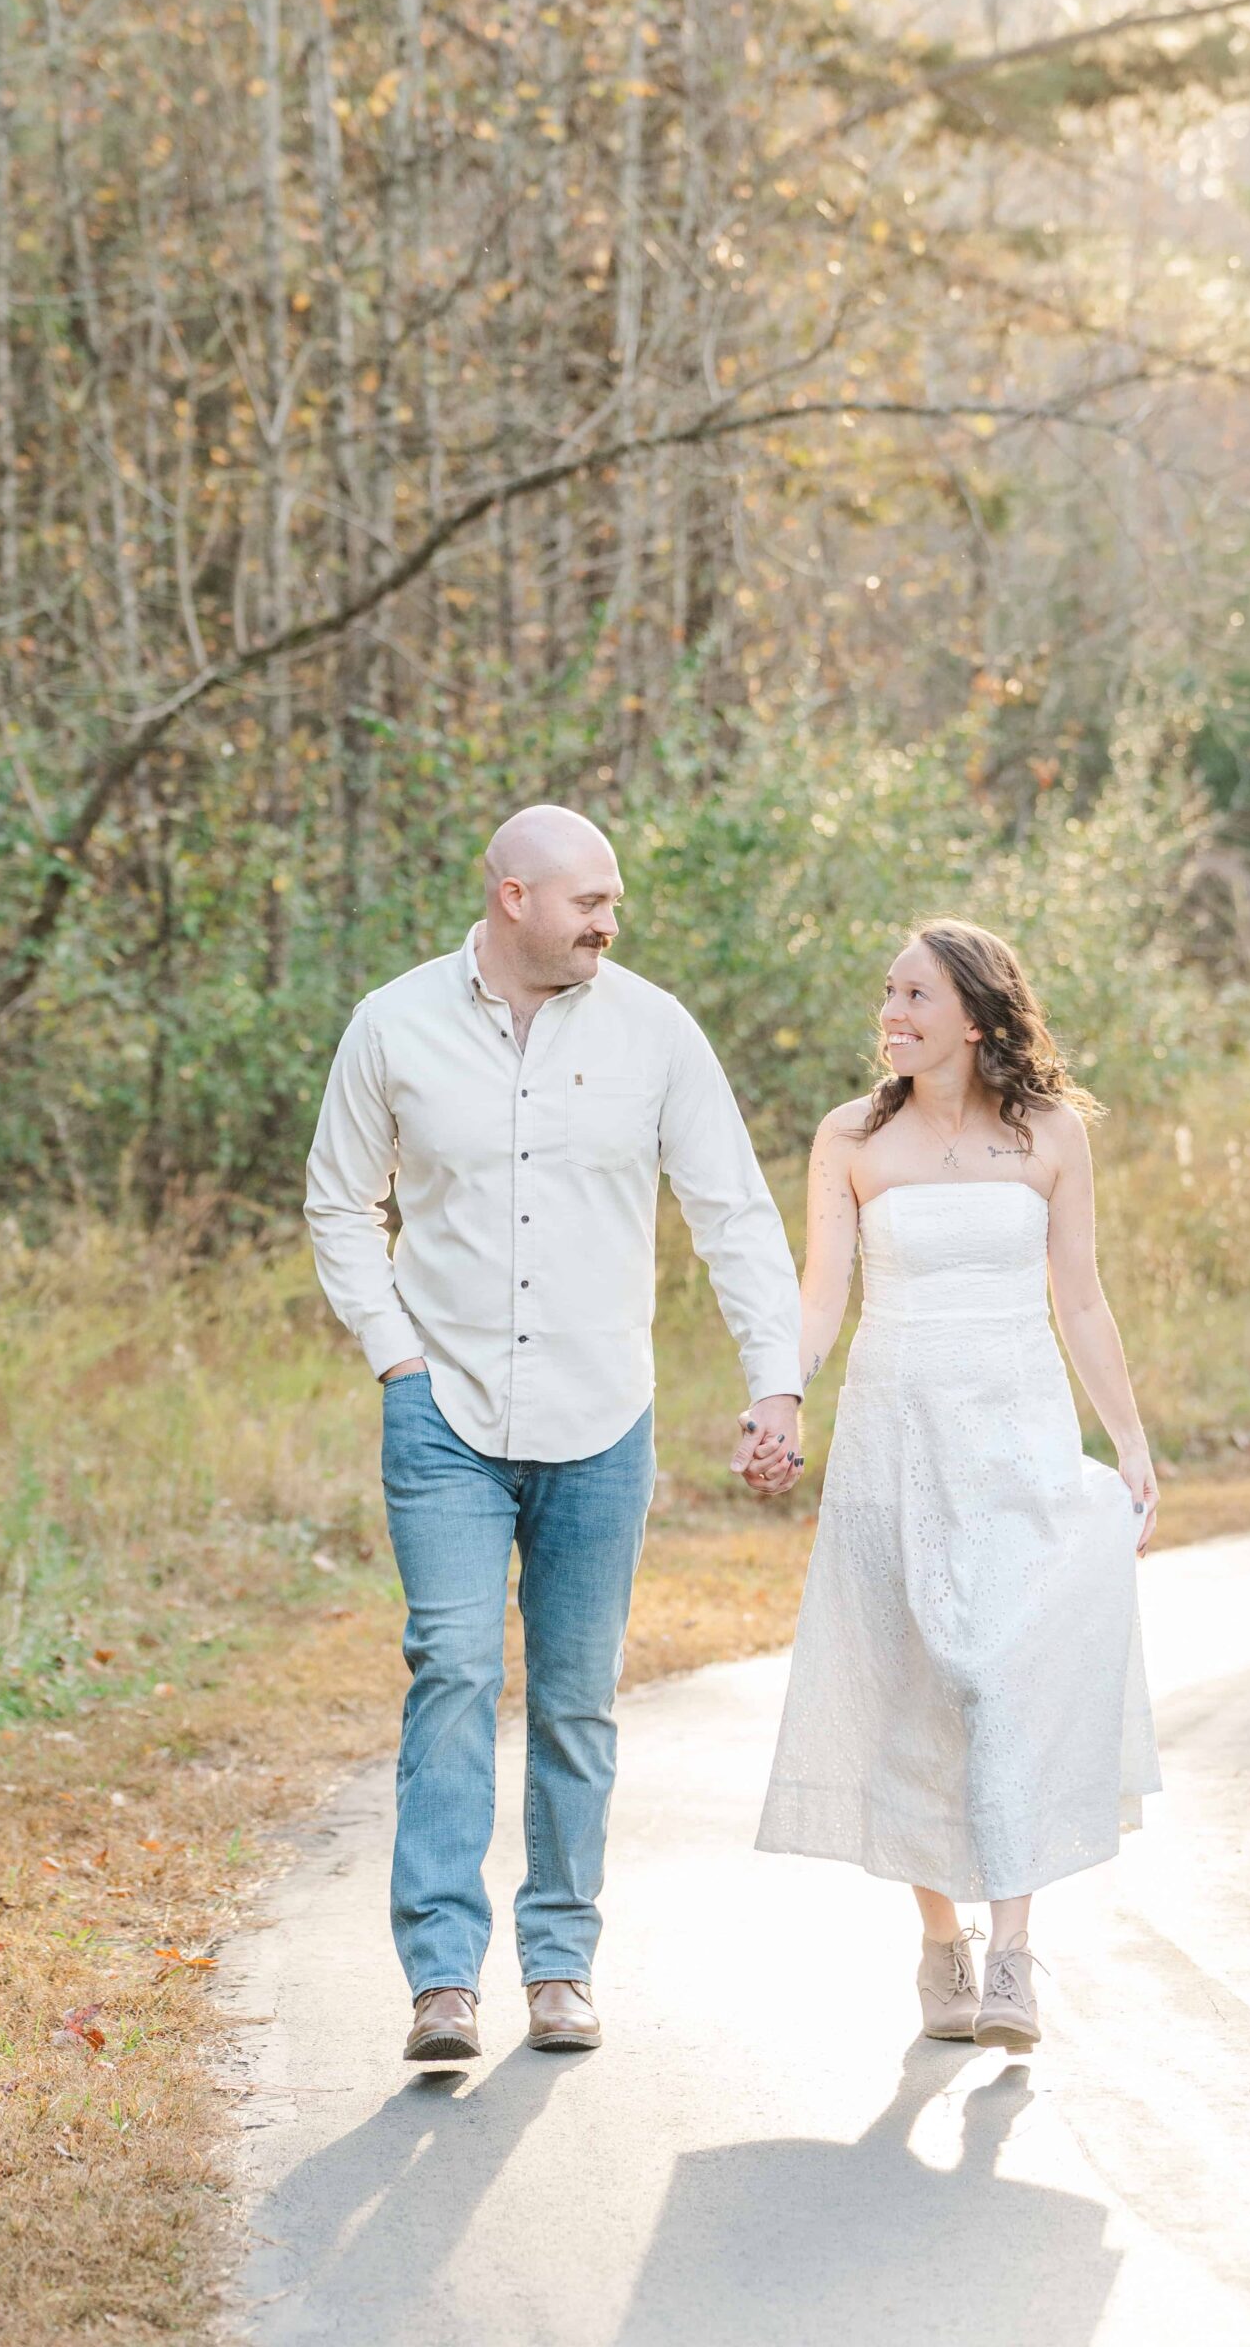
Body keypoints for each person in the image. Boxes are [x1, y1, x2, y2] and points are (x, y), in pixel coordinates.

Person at [305, 806, 802, 2067]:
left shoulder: (654, 1030)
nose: (608, 922)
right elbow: (338, 1203)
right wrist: (396, 1356)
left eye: (615, 903)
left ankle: (563, 1963)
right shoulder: (394, 1023)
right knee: (456, 1670)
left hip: (601, 1419)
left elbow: (733, 1211)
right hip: (447, 1412)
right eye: (589, 901)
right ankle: (440, 1980)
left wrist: (776, 1381)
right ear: (512, 895)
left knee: (577, 1705)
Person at [754, 917, 1160, 2050]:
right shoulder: (849, 1137)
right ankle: (943, 1939)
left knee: (1003, 1675)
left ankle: (1017, 1952)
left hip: (1017, 1432)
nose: (891, 1012)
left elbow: (1079, 1298)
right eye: (887, 993)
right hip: (894, 1434)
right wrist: (776, 1395)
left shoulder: (1051, 1135)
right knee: (911, 1682)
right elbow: (821, 1298)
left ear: (974, 1017)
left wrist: (1126, 1438)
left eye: (916, 996)